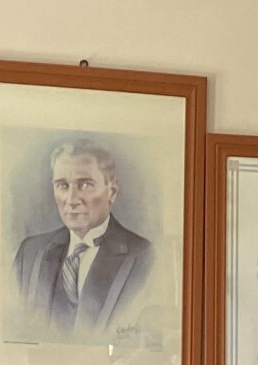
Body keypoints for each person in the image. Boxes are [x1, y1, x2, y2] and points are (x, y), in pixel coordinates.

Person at [13, 137, 153, 339]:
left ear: (112, 191)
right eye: (62, 185)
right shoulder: (30, 253)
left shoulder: (144, 257)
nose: (71, 200)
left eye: (85, 185)